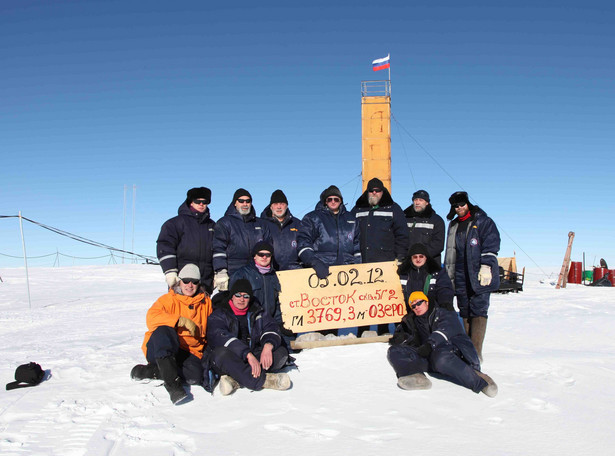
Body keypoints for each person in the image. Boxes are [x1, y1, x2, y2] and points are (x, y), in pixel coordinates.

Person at [387, 291, 498, 397]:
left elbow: (446, 330)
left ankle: (480, 382)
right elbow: (411, 338)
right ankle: (416, 376)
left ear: (426, 302)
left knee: (441, 358)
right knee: (394, 350)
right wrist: (400, 338)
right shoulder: (413, 320)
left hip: (454, 352)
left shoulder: (443, 313)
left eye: (419, 302)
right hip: (431, 356)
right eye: (413, 306)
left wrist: (430, 345)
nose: (417, 307)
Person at [131, 264, 213, 405]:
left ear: (199, 284)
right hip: (160, 347)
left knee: (196, 376)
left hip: (189, 351)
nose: (189, 285)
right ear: (179, 281)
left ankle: (148, 372)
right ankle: (173, 386)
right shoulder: (167, 299)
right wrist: (179, 321)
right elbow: (151, 318)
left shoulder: (206, 302)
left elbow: (210, 328)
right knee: (164, 330)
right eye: (186, 280)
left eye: (194, 281)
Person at [207, 279, 291, 395]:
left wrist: (268, 345)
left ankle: (236, 380)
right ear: (232, 296)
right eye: (238, 295)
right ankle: (266, 381)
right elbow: (220, 337)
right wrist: (247, 354)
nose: (242, 299)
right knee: (220, 354)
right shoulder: (219, 314)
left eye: (246, 296)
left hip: (253, 354)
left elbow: (271, 327)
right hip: (232, 357)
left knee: (280, 352)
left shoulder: (257, 311)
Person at [443, 191, 500, 361]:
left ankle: (476, 351)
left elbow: (491, 243)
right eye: (456, 205)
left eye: (462, 204)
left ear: (468, 204)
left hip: (478, 271)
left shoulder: (482, 221)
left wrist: (486, 265)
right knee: (464, 309)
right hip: (459, 272)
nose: (459, 208)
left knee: (479, 308)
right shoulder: (453, 225)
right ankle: (467, 348)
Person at [352, 178, 408, 336]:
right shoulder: (358, 209)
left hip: (386, 263)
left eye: (377, 190)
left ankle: (383, 329)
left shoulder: (394, 209)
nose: (374, 193)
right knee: (363, 298)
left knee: (383, 297)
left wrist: (401, 257)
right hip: (362, 263)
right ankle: (363, 330)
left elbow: (402, 235)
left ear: (383, 192)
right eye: (371, 190)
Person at [156, 187, 215, 292]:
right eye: (198, 201)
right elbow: (165, 246)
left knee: (203, 308)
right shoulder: (174, 224)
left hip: (205, 282)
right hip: (183, 281)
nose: (201, 204)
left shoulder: (212, 226)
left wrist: (217, 273)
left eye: (205, 202)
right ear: (191, 203)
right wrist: (170, 271)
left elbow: (218, 249)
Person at [212, 189, 271, 291]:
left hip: (255, 271)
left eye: (248, 201)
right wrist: (220, 271)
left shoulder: (260, 224)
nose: (245, 204)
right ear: (235, 203)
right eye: (241, 201)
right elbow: (218, 248)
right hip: (233, 271)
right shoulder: (225, 223)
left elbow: (268, 247)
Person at [297, 185, 361, 280]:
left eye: (336, 199)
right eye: (329, 199)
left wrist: (359, 265)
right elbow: (303, 242)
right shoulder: (313, 218)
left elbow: (357, 245)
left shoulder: (351, 219)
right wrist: (314, 262)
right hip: (322, 269)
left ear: (341, 201)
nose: (333, 202)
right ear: (325, 201)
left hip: (347, 270)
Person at [397, 243, 454, 310]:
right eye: (415, 257)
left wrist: (445, 303)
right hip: (407, 311)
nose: (418, 259)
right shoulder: (402, 274)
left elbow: (444, 289)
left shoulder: (436, 273)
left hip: (431, 313)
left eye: (421, 256)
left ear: (426, 257)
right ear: (411, 259)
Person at [260, 189, 303, 270]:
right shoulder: (262, 224)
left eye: (282, 204)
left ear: (286, 206)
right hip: (271, 271)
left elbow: (304, 245)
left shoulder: (297, 224)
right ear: (271, 206)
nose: (279, 207)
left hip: (294, 270)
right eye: (276, 204)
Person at [403, 190, 445, 265]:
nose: (417, 202)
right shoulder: (404, 219)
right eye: (415, 200)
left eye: (421, 200)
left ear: (427, 203)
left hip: (429, 265)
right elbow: (400, 240)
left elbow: (438, 244)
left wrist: (420, 256)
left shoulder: (437, 220)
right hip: (408, 264)